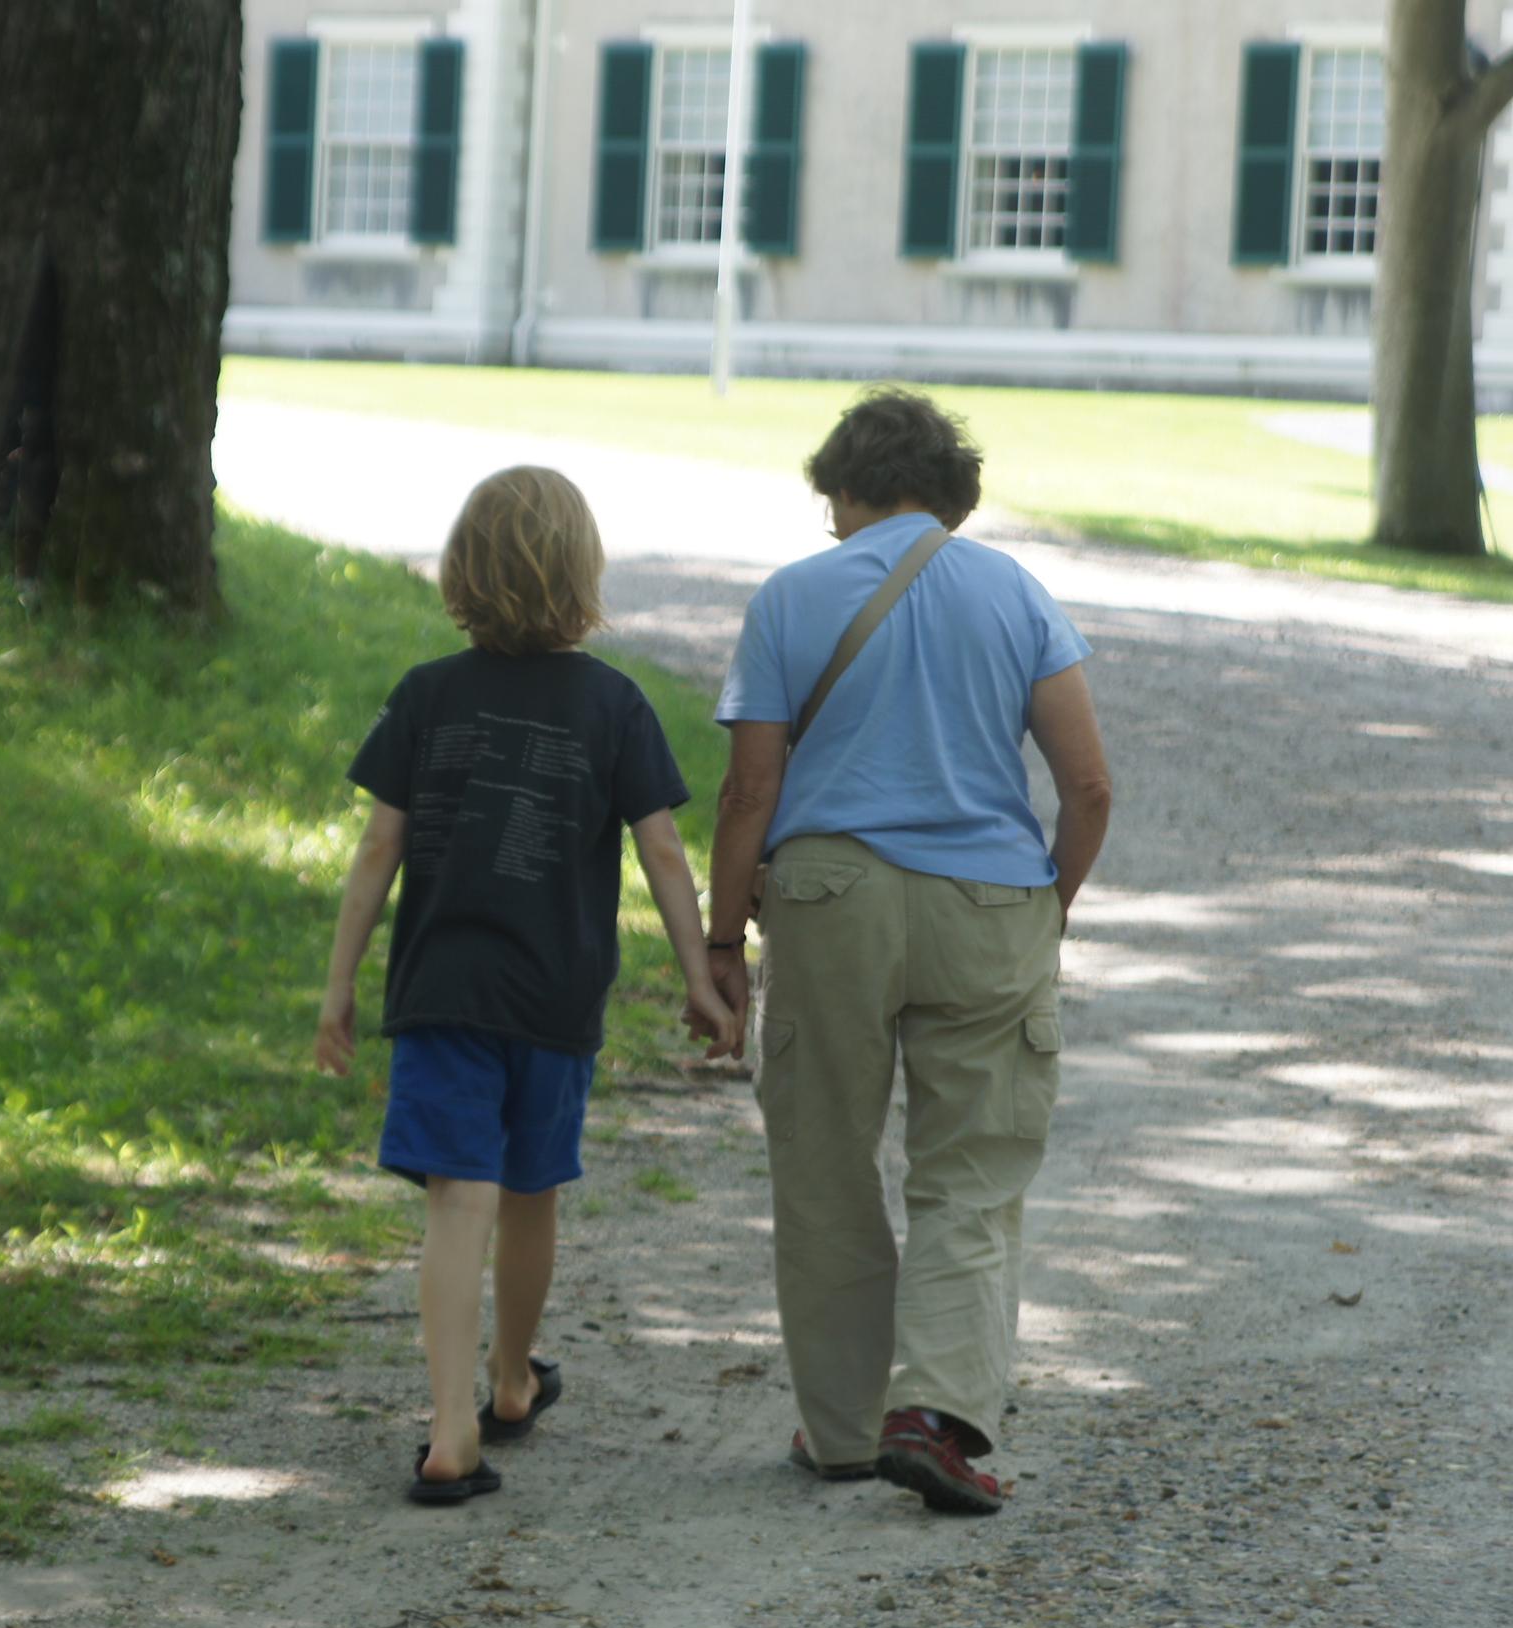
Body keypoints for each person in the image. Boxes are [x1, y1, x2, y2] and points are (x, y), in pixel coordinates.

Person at [706, 388, 1113, 1515]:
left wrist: (721, 932)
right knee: (972, 1172)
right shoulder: (1016, 592)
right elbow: (1086, 784)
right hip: (988, 900)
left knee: (824, 1161)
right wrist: (1051, 904)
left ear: (844, 484)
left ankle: (839, 1433)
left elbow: (750, 786)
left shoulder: (789, 597)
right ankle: (931, 1413)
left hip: (829, 897)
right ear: (950, 494)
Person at [316, 465, 739, 1507]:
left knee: (457, 1199)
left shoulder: (426, 694)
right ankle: (511, 1379)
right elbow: (665, 856)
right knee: (530, 1190)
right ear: (580, 573)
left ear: (464, 570)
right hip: (554, 999)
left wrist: (339, 990)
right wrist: (702, 980)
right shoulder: (613, 703)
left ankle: (450, 1424)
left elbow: (377, 851)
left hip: (441, 989)